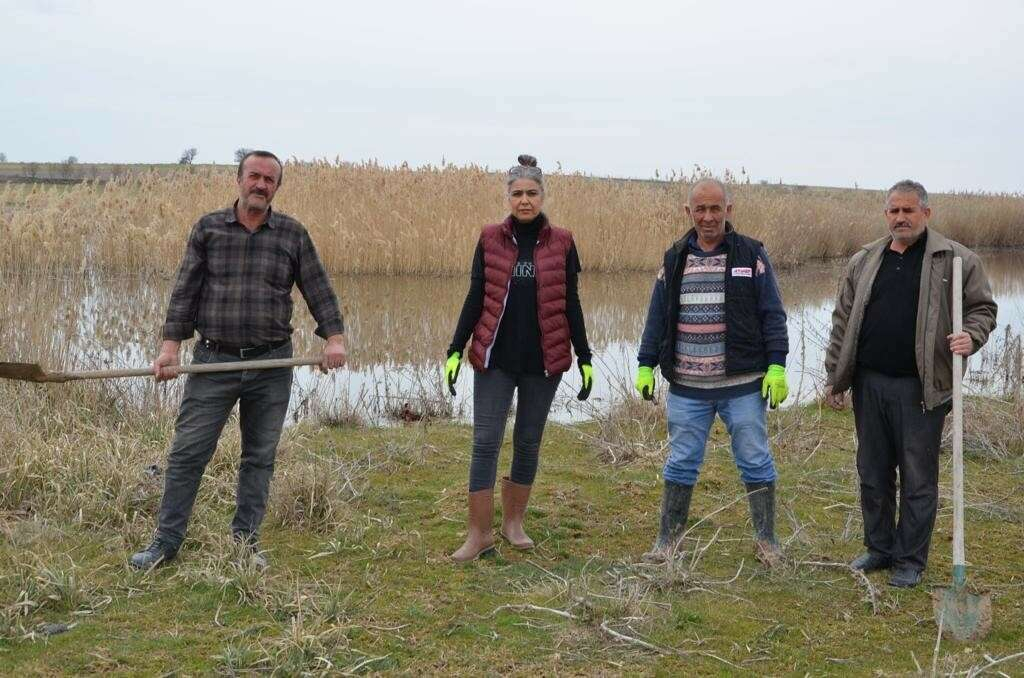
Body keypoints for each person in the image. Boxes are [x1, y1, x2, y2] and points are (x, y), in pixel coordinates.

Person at [130, 150, 348, 570]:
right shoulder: (209, 228)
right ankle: (165, 543)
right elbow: (185, 291)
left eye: (269, 179)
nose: (260, 185)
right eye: (254, 176)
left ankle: (245, 545)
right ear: (239, 179)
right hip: (214, 361)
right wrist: (170, 349)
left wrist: (334, 340)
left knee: (259, 457)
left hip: (271, 365)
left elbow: (318, 288)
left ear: (276, 188)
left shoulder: (292, 234)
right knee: (188, 453)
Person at [824, 179, 996, 588]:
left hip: (922, 388)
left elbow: (983, 309)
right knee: (873, 471)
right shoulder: (865, 259)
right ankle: (880, 548)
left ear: (926, 213)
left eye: (909, 210)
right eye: (894, 211)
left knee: (918, 478)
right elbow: (842, 319)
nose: (901, 218)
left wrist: (971, 336)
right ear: (886, 214)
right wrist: (835, 376)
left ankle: (910, 559)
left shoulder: (956, 259)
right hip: (869, 384)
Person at [445, 154, 593, 563]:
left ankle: (513, 524)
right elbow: (476, 296)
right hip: (495, 358)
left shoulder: (563, 242)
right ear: (507, 197)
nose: (524, 200)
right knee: (485, 442)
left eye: (531, 193)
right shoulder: (489, 238)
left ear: (543, 196)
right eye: (517, 194)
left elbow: (571, 303)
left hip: (543, 362)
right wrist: (455, 349)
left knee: (528, 441)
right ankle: (479, 534)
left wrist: (585, 356)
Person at [635, 178, 790, 566]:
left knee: (755, 459)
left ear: (728, 210)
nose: (708, 217)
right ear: (689, 212)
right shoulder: (674, 258)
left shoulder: (751, 254)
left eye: (715, 209)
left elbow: (773, 314)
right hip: (687, 388)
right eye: (700, 209)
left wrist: (777, 365)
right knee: (681, 461)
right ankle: (667, 543)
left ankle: (767, 541)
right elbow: (657, 317)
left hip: (743, 386)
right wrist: (645, 364)